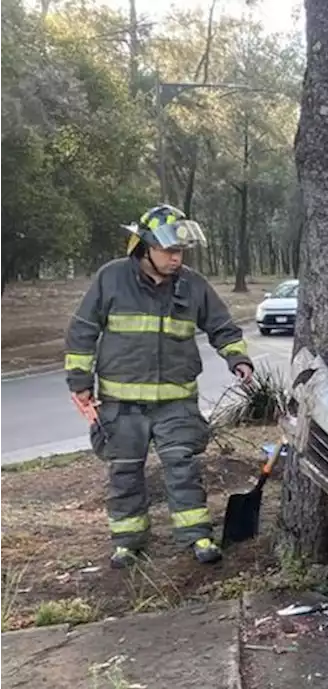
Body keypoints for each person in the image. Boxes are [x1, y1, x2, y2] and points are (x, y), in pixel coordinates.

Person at [64, 204, 254, 569]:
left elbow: (223, 327)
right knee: (124, 473)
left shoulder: (193, 284)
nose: (175, 258)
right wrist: (80, 381)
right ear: (144, 248)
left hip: (177, 404)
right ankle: (127, 542)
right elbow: (83, 331)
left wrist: (238, 359)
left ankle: (196, 535)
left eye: (179, 251)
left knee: (183, 469)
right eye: (168, 250)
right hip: (121, 405)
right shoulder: (111, 279)